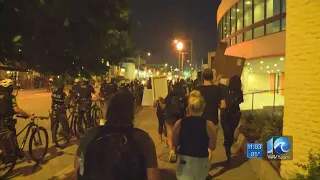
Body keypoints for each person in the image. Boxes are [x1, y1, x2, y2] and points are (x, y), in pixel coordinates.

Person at [74, 91, 161, 180]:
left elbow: (78, 167)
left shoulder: (92, 134)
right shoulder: (142, 139)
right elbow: (152, 174)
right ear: (131, 112)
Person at [172, 90, 217, 180]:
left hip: (184, 162)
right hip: (201, 163)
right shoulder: (209, 125)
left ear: (188, 108)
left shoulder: (179, 123)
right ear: (203, 108)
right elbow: (212, 147)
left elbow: (175, 143)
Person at [194, 68, 226, 160]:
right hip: (213, 122)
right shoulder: (217, 89)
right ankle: (206, 168)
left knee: (201, 144)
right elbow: (223, 105)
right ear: (212, 77)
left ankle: (201, 166)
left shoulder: (198, 89)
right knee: (209, 147)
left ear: (202, 77)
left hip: (199, 121)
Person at [0, 79, 33, 161]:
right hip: (6, 122)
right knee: (11, 137)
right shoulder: (11, 97)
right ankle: (13, 155)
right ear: (10, 88)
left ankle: (13, 153)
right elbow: (17, 110)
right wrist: (28, 115)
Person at [220, 75, 243, 165]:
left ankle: (227, 149)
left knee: (227, 132)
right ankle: (228, 147)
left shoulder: (225, 90)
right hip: (235, 114)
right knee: (231, 132)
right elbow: (240, 101)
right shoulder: (239, 92)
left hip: (225, 114)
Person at [162, 84, 188, 163]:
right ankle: (178, 149)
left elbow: (163, 106)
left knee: (170, 133)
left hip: (169, 117)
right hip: (180, 117)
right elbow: (187, 107)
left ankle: (172, 150)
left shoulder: (169, 95)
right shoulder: (183, 96)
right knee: (179, 133)